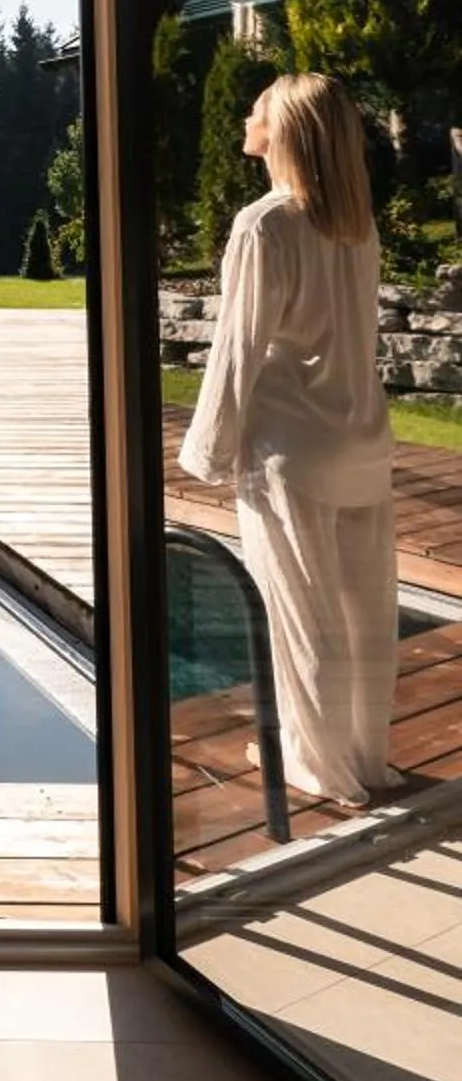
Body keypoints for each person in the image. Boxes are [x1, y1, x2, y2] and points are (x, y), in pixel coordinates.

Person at [179, 69, 400, 807]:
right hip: (361, 437)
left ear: (286, 132)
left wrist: (204, 452)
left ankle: (319, 764)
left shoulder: (266, 223)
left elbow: (239, 347)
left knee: (303, 612)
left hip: (291, 449)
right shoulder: (354, 223)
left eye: (259, 108)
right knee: (365, 610)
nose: (246, 114)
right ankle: (366, 759)